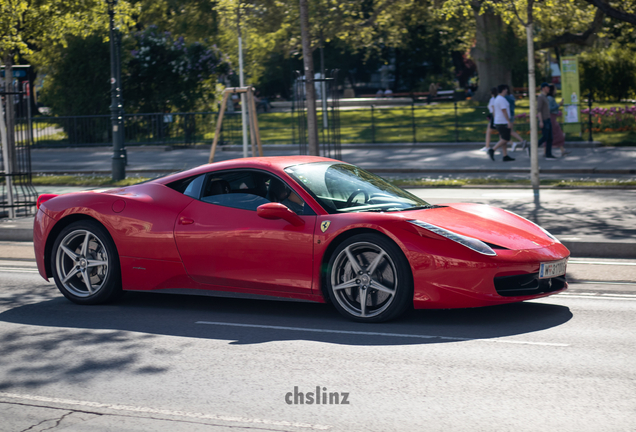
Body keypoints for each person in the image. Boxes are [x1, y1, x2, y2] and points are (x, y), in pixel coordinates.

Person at [488, 84, 515, 162]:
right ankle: (492, 149)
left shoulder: (498, 99)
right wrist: (508, 121)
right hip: (502, 122)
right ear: (503, 90)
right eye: (506, 89)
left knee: (503, 138)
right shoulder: (501, 99)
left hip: (499, 121)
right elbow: (504, 110)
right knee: (506, 138)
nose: (507, 90)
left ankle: (505, 155)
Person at [536, 82, 556, 159]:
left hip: (548, 119)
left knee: (550, 138)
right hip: (544, 120)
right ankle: (532, 148)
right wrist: (541, 121)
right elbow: (539, 110)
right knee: (545, 137)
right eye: (547, 87)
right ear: (543, 88)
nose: (549, 89)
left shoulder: (545, 97)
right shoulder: (540, 97)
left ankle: (548, 153)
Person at [548, 84, 568, 156]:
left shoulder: (551, 98)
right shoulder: (550, 98)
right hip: (552, 118)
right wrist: (559, 104)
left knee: (551, 134)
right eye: (555, 89)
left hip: (553, 117)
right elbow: (550, 108)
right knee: (557, 133)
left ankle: (562, 150)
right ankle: (562, 150)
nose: (556, 91)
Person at [480, 87, 499, 152]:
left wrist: (494, 120)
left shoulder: (493, 99)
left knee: (489, 132)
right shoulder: (497, 99)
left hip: (494, 117)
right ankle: (487, 146)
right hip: (496, 116)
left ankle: (487, 146)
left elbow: (493, 110)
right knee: (501, 132)